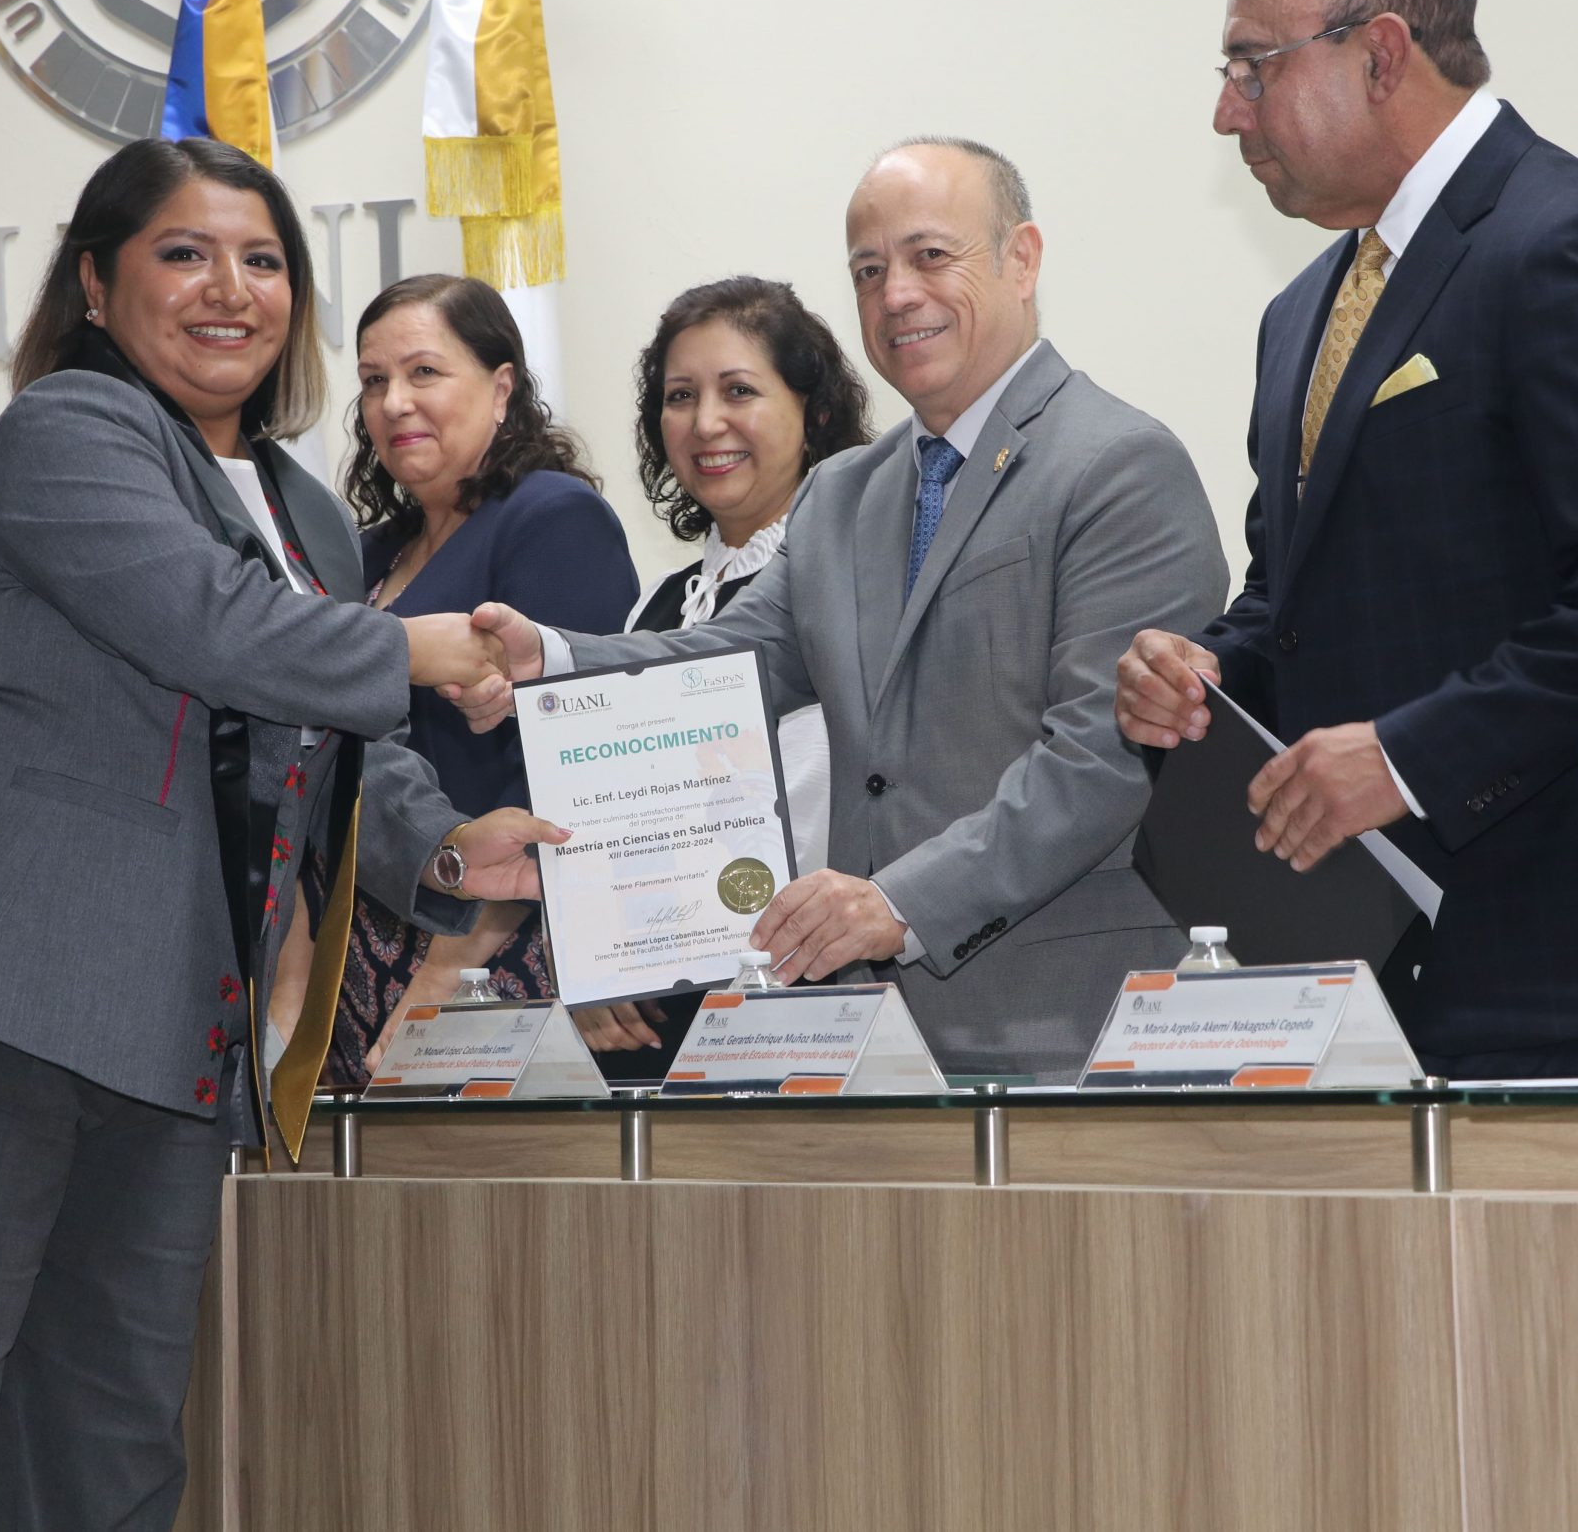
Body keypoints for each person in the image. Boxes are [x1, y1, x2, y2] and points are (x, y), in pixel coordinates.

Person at [0, 139, 554, 1532]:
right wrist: (424, 647)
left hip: (166, 1036)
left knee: (107, 1456)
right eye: (183, 253)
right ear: (95, 282)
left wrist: (441, 854)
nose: (228, 289)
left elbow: (329, 740)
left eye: (262, 260)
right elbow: (219, 631)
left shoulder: (308, 506)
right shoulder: (70, 428)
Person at [1113, 0, 1578, 1079]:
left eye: (1252, 65)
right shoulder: (1302, 312)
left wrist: (1403, 760)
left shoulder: (1573, 242)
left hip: (1545, 980)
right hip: (1351, 978)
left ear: (1380, 53)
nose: (1224, 109)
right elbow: (1287, 603)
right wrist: (1199, 673)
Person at [465, 137, 1231, 1082]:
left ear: (1022, 258)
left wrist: (897, 902)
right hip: (863, 1042)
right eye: (868, 270)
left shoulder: (1118, 465)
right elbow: (730, 662)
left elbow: (1100, 760)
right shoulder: (842, 494)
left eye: (929, 256)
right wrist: (553, 660)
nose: (896, 293)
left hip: (1060, 1027)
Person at [322, 273, 638, 1083]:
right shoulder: (366, 554)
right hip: (360, 949)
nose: (393, 402)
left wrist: (445, 972)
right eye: (372, 380)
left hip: (492, 955)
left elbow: (570, 780)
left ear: (502, 388)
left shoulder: (553, 517)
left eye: (424, 372)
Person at [591, 276, 876, 1080]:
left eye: (739, 390)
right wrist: (594, 964)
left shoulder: (863, 585)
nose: (705, 422)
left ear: (813, 410)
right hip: (656, 1018)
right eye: (679, 395)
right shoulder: (657, 604)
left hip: (811, 1001)